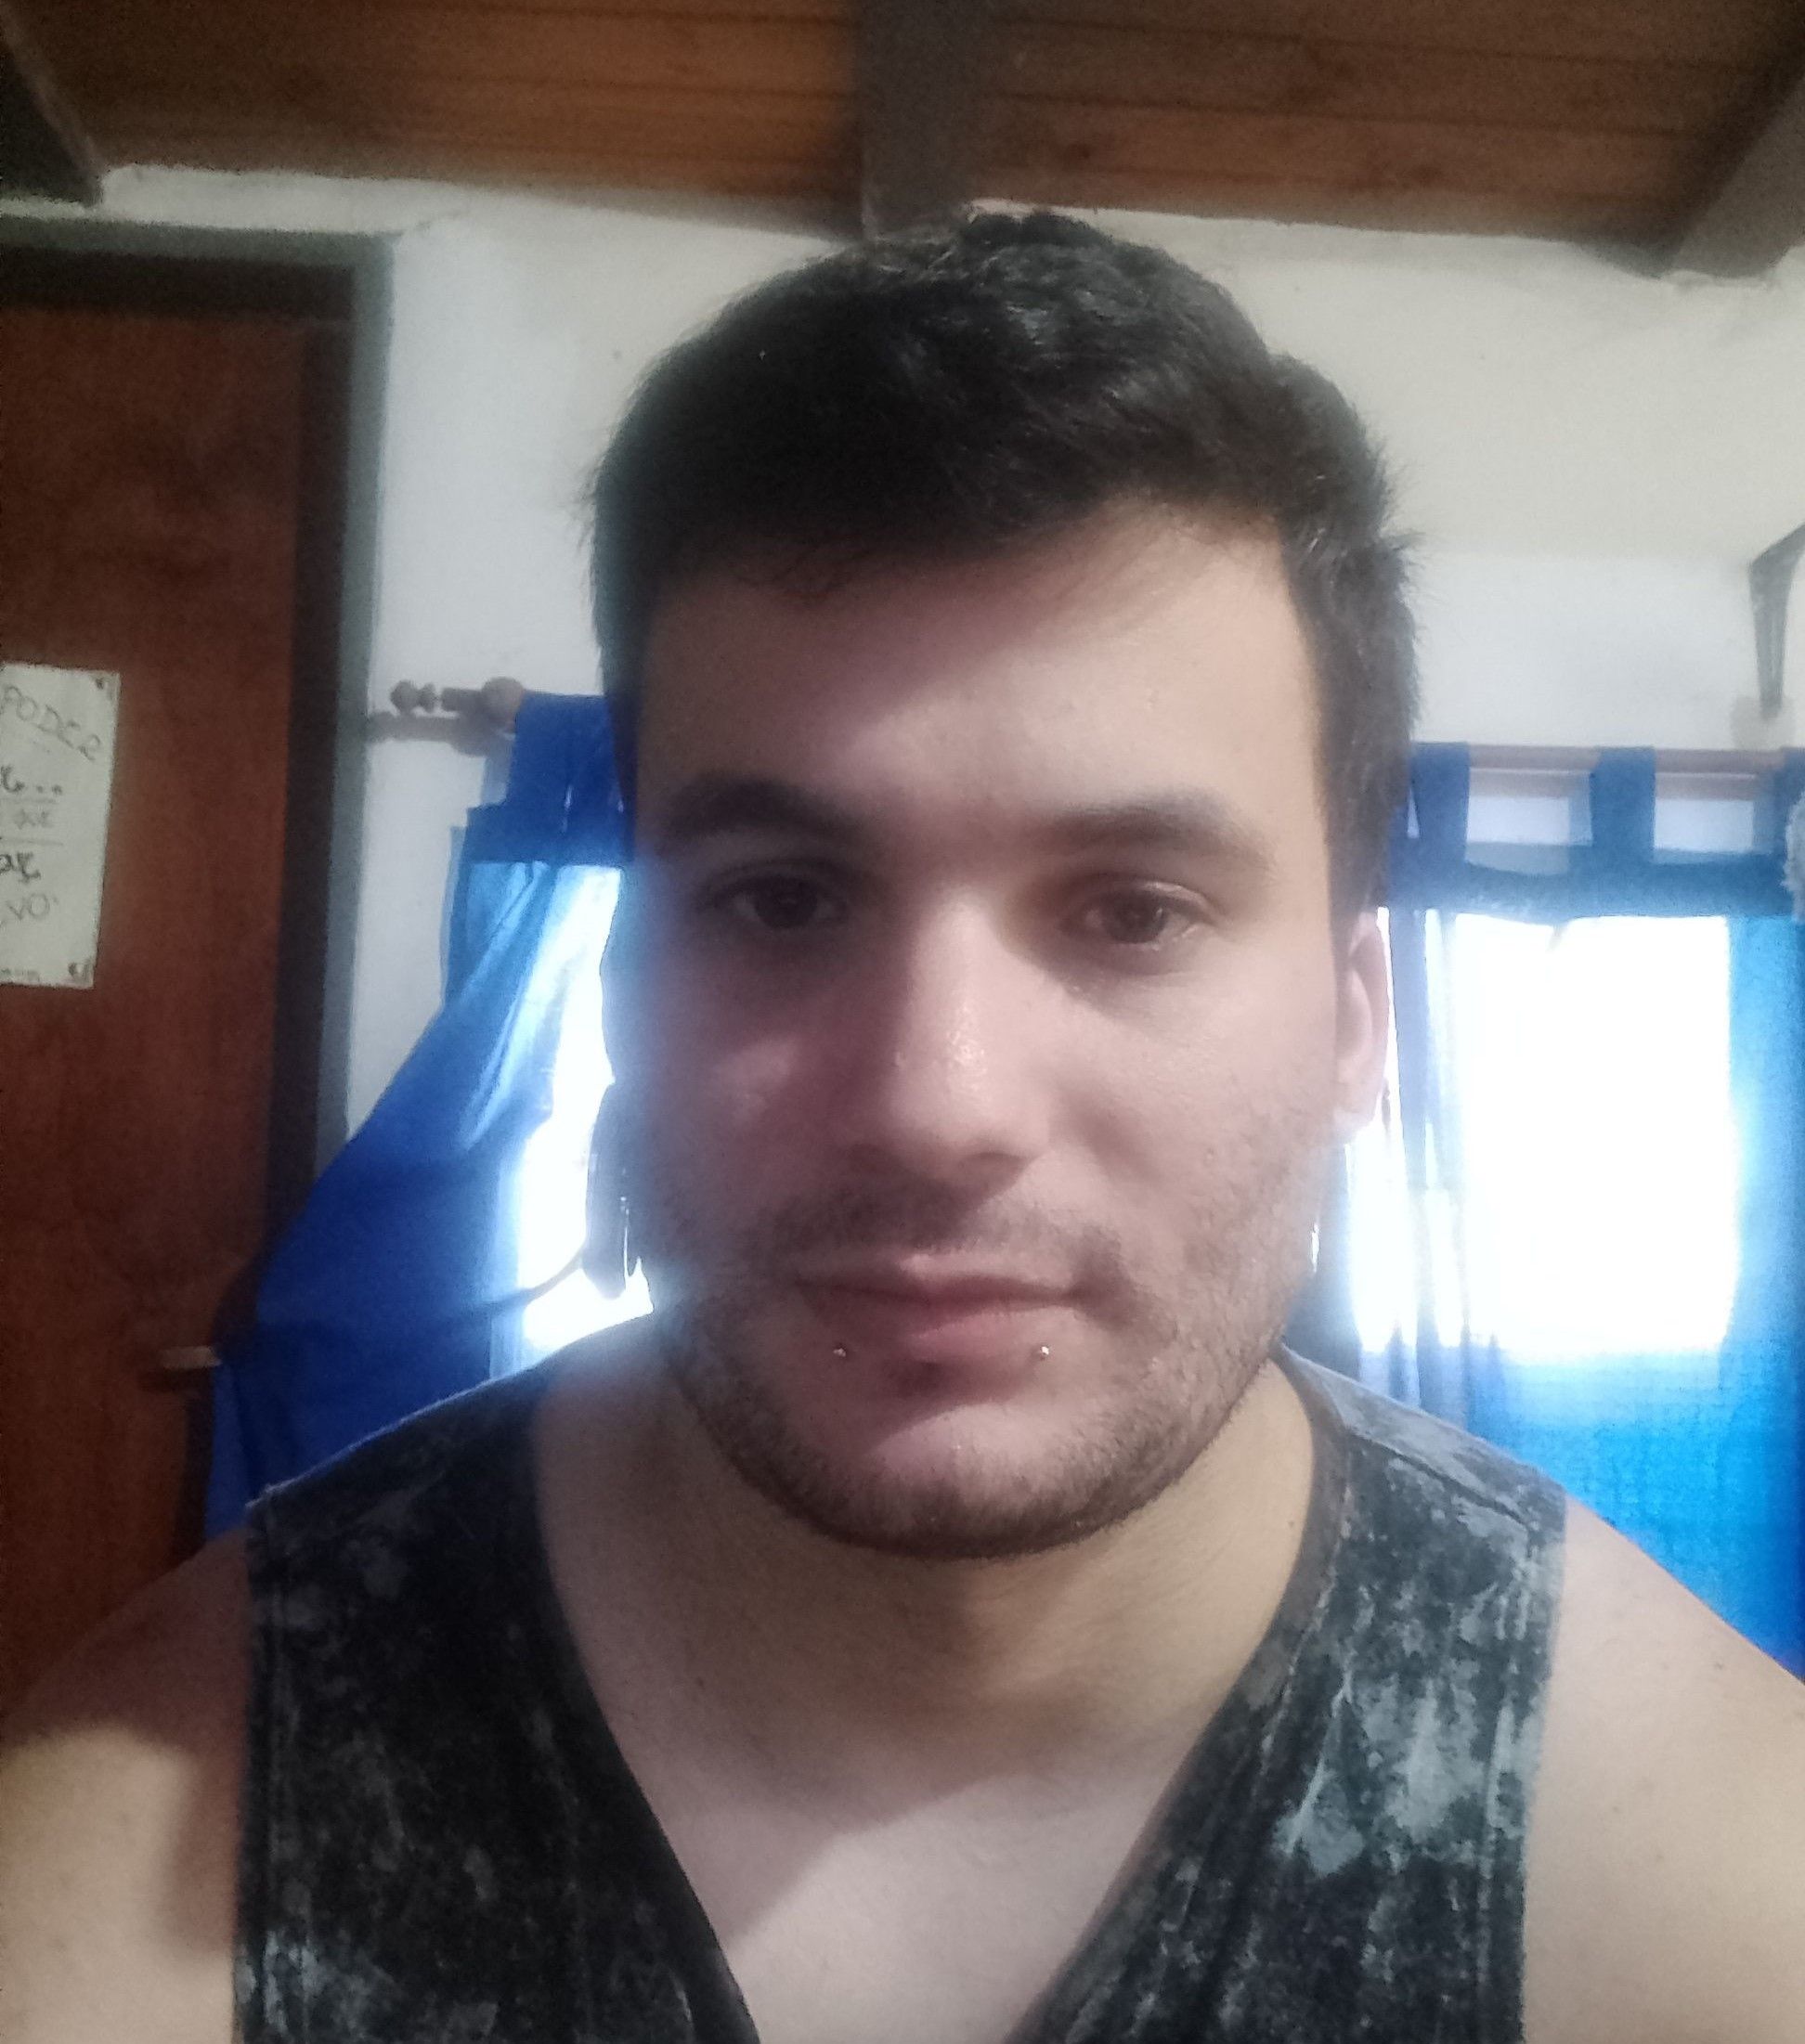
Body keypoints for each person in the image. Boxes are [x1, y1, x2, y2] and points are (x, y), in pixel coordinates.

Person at [3, 211, 1801, 2044]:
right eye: (782, 899)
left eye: (1132, 912)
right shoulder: (126, 1868)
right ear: (621, 989)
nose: (938, 1107)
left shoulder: (1717, 1881)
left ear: (1357, 1023)